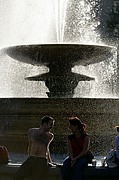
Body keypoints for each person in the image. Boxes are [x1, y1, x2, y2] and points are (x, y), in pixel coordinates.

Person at [14, 116, 55, 180]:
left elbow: (47, 148)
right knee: (17, 176)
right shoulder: (31, 131)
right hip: (31, 158)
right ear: (44, 124)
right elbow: (30, 145)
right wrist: (29, 157)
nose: (52, 127)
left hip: (42, 160)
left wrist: (50, 161)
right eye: (51, 125)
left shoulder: (50, 136)